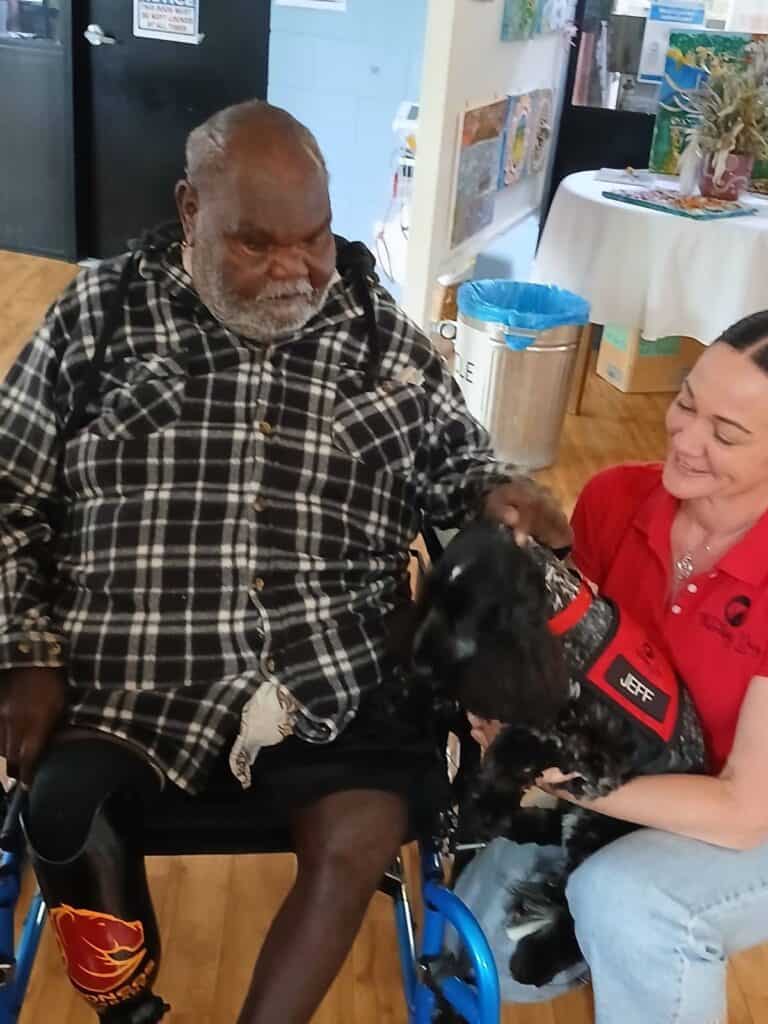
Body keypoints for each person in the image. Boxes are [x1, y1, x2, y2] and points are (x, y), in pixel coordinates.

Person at [0, 100, 571, 1024]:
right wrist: (25, 650)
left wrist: (492, 495)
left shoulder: (376, 326)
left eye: (313, 238)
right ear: (191, 212)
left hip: (334, 663)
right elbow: (9, 488)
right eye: (257, 243)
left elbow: (454, 455)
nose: (295, 270)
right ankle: (128, 1013)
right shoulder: (98, 313)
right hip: (134, 668)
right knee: (62, 810)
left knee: (364, 828)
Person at [457, 311, 768, 1023]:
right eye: (686, 401)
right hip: (638, 773)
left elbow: (744, 811)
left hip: (750, 810)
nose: (685, 439)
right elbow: (570, 666)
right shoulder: (617, 497)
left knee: (627, 900)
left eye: (725, 434)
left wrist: (561, 780)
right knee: (495, 963)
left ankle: (641, 932)